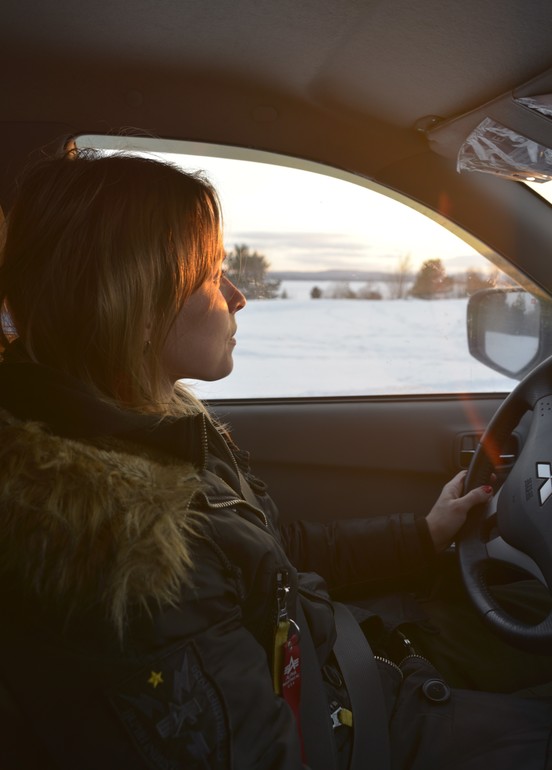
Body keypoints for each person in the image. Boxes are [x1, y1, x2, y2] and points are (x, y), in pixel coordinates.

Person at [0, 150, 550, 770]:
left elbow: (275, 558)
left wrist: (423, 535)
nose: (238, 297)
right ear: (137, 305)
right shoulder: (126, 548)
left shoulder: (151, 432)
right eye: (212, 275)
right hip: (356, 726)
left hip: (343, 660)